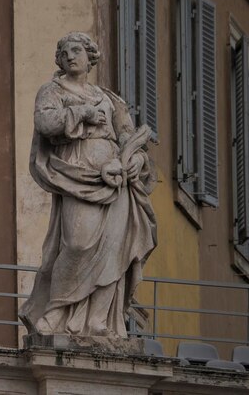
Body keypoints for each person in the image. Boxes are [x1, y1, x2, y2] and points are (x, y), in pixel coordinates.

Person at [18, 32, 156, 337]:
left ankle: (97, 320)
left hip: (116, 179)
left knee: (115, 250)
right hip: (76, 175)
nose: (70, 56)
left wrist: (135, 161)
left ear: (90, 56)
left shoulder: (108, 98)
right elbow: (46, 124)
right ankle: (56, 312)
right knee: (77, 243)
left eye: (77, 50)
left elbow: (127, 137)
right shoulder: (51, 91)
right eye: (64, 52)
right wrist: (83, 112)